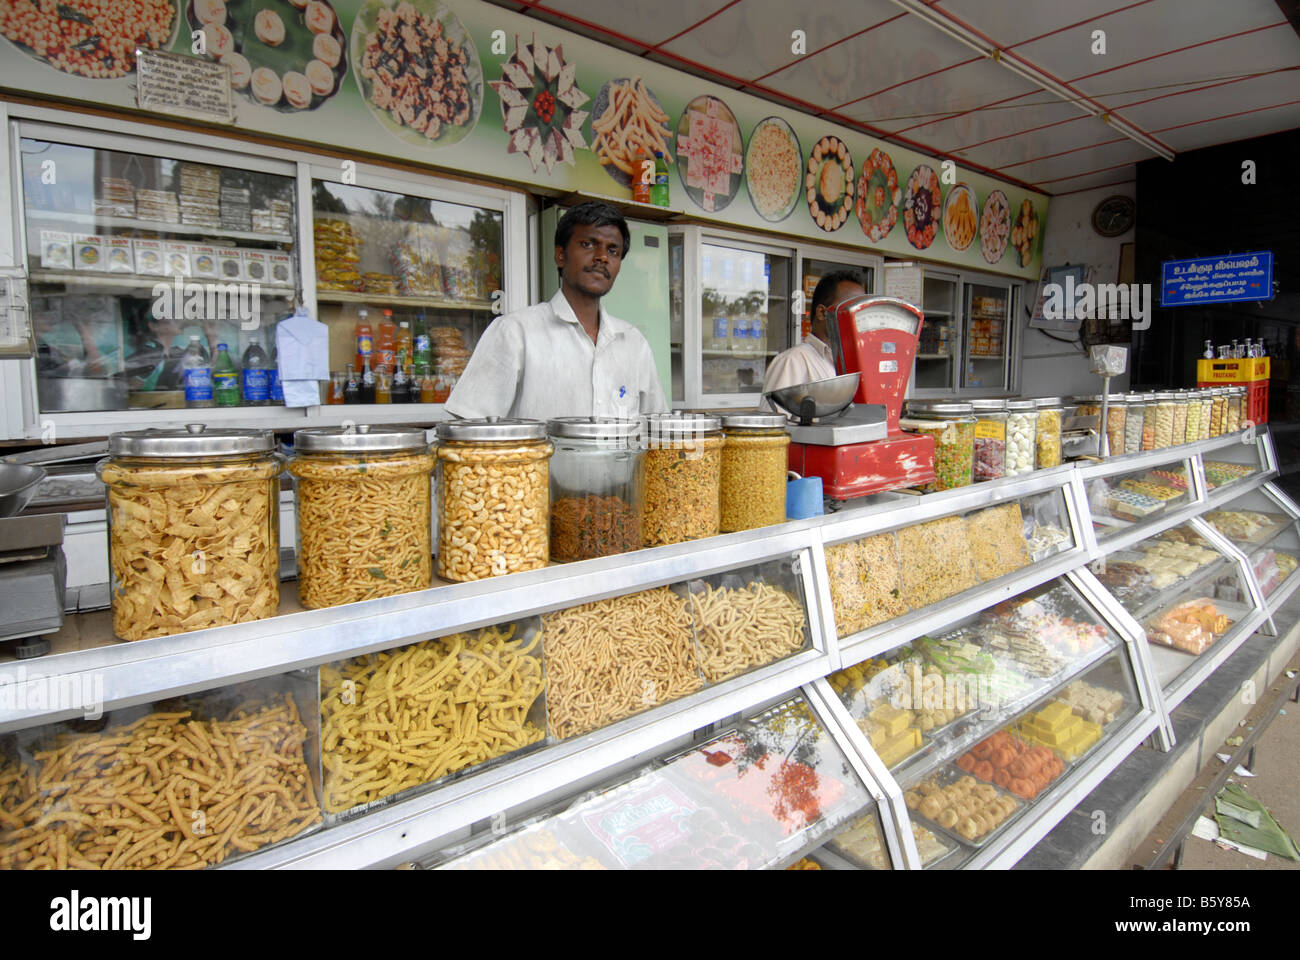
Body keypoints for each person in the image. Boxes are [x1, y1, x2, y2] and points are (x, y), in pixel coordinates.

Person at [445, 201, 668, 422]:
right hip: (535, 460)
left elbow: (658, 429)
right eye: (588, 244)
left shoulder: (633, 344)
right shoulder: (516, 332)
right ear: (560, 255)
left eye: (613, 250)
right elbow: (471, 428)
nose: (602, 257)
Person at [760, 270, 865, 404]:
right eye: (849, 309)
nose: (856, 318)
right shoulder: (792, 361)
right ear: (822, 312)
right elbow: (774, 421)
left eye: (860, 311)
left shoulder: (854, 361)